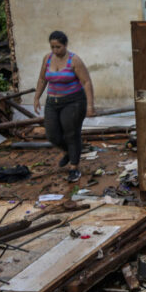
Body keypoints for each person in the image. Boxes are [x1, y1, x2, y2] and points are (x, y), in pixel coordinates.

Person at [34, 31, 95, 182]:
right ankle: (69, 152)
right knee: (52, 134)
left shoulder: (74, 61)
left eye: (58, 47)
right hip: (52, 102)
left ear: (65, 45)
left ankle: (74, 167)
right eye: (53, 47)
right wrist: (36, 97)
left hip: (73, 102)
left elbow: (86, 82)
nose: (55, 50)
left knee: (71, 133)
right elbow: (42, 79)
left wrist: (90, 105)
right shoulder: (47, 58)